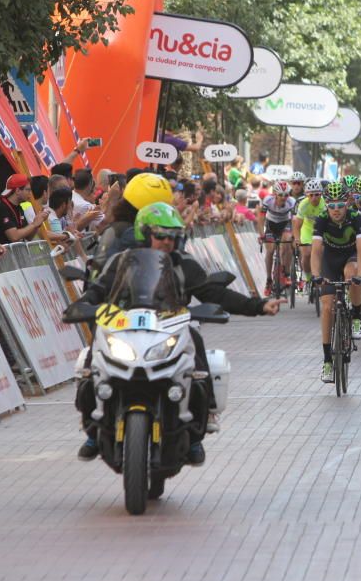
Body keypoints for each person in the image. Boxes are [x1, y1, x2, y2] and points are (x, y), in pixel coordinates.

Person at [75, 202, 283, 463]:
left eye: (173, 236)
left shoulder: (184, 264)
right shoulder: (120, 262)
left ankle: (198, 429)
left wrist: (260, 305)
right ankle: (92, 431)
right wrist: (83, 303)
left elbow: (213, 293)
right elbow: (99, 288)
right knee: (90, 356)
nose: (167, 242)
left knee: (195, 343)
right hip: (124, 328)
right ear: (144, 233)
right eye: (161, 235)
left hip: (169, 328)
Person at [311, 182, 361, 383]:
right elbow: (316, 251)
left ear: (348, 204)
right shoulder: (322, 220)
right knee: (327, 307)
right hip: (330, 260)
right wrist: (315, 274)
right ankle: (327, 360)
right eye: (331, 205)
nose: (336, 210)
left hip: (350, 256)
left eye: (340, 205)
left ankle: (357, 315)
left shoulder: (356, 219)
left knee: (351, 274)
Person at [256, 180, 296, 295]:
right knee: (270, 250)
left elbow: (294, 220)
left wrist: (294, 235)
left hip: (285, 224)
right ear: (275, 194)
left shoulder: (292, 202)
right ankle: (269, 280)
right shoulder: (268, 200)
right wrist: (261, 234)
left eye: (286, 195)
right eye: (280, 195)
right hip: (271, 225)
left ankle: (286, 273)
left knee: (287, 241)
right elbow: (261, 219)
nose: (283, 198)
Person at [0, 174, 50, 245]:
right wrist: (34, 224)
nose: (31, 194)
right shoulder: (1, 208)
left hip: (16, 254)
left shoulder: (19, 208)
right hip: (3, 255)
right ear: (18, 191)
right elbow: (14, 237)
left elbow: (28, 237)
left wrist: (38, 222)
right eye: (28, 190)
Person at [292, 179, 326, 291]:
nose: (314, 198)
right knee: (306, 254)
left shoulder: (325, 204)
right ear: (307, 194)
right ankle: (308, 277)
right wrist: (297, 238)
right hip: (307, 230)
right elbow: (297, 226)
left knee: (320, 253)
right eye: (311, 195)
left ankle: (320, 275)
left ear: (321, 194)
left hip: (321, 230)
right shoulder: (303, 204)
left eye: (317, 195)